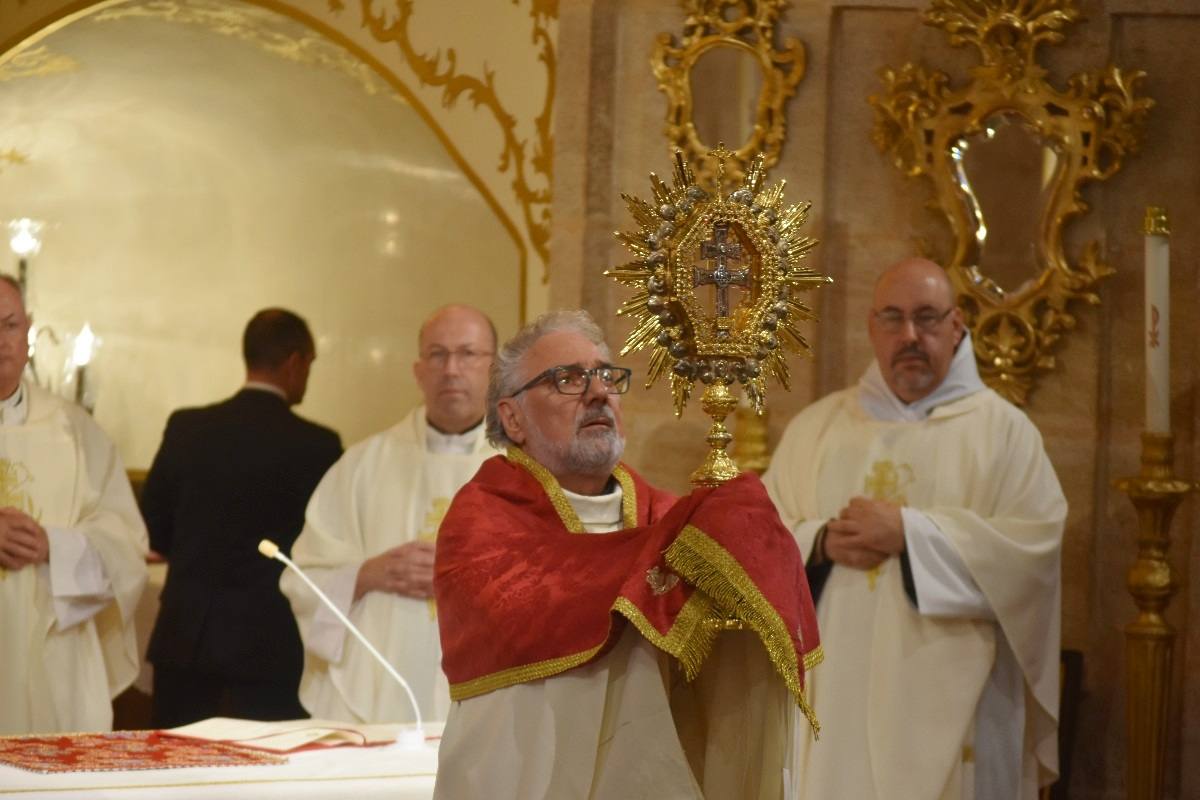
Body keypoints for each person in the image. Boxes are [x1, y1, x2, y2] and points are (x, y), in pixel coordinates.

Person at [433, 310, 821, 799]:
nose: (597, 393)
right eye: (567, 380)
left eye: (606, 377)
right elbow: (548, 602)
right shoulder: (483, 520)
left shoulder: (664, 517)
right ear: (513, 417)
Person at [763, 257, 1066, 800]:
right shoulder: (818, 428)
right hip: (836, 700)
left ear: (956, 326)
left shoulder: (1006, 435)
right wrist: (823, 541)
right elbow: (763, 537)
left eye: (927, 318)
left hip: (961, 702)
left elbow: (1032, 554)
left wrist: (911, 533)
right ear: (870, 327)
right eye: (893, 318)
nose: (910, 336)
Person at [281, 304, 498, 724]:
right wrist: (365, 574)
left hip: (488, 693)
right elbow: (301, 578)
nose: (451, 368)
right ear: (418, 370)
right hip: (379, 687)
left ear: (495, 368)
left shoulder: (524, 472)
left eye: (468, 354)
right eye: (437, 354)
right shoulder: (362, 465)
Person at [141, 308, 341, 727]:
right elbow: (329, 546)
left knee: (179, 778)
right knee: (268, 780)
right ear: (294, 362)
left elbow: (151, 531)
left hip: (187, 641)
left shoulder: (187, 428)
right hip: (272, 647)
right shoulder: (318, 446)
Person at [0, 275, 148, 734]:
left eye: (9, 325)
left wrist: (55, 547)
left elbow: (125, 544)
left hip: (56, 656)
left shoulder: (74, 430)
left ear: (28, 334)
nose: (0, 341)